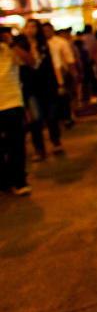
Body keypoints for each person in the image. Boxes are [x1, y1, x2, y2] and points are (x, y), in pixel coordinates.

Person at [18, 20, 60, 157]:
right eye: (28, 27)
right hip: (30, 88)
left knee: (51, 115)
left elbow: (53, 66)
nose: (30, 30)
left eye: (33, 27)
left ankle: (55, 140)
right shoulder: (20, 47)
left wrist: (60, 83)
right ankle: (39, 148)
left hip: (48, 85)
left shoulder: (46, 46)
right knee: (35, 119)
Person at [1, 31, 35, 195]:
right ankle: (5, 180)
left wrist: (11, 44)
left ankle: (20, 181)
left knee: (16, 145)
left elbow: (31, 62)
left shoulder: (9, 50)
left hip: (12, 103)